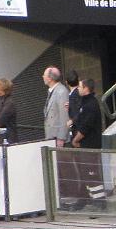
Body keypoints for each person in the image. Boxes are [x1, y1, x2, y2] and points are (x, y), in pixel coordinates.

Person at [70, 79, 105, 209]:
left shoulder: (91, 104)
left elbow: (86, 126)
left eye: (79, 86)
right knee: (84, 173)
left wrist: (76, 140)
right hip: (84, 145)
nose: (78, 88)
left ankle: (99, 202)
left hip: (90, 145)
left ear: (86, 88)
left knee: (91, 174)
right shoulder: (84, 103)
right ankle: (83, 199)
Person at [43, 67, 69, 147]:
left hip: (58, 138)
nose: (43, 76)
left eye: (44, 75)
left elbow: (64, 116)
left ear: (50, 78)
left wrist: (61, 137)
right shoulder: (52, 91)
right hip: (51, 136)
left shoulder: (61, 91)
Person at [0, 78, 18, 143]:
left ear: (2, 88)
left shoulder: (9, 103)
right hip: (0, 137)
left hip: (8, 139)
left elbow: (0, 121)